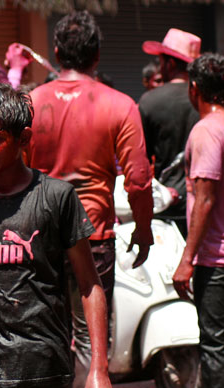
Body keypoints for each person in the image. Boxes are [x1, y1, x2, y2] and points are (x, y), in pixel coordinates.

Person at [0, 81, 111, 388]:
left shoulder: (57, 198)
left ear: (24, 139)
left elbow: (89, 285)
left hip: (44, 366)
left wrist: (99, 368)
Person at [24, 11, 153, 387]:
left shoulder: (32, 101)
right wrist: (143, 231)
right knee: (91, 340)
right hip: (93, 236)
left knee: (46, 332)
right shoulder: (120, 104)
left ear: (57, 51)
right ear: (97, 55)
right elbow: (139, 180)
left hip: (39, 234)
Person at [172, 52, 224, 388]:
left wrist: (186, 260)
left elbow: (205, 199)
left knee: (215, 347)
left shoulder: (205, 132)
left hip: (216, 262)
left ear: (194, 89)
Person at [139, 28, 201, 237]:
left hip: (166, 203)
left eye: (160, 62)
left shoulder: (149, 101)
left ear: (171, 64)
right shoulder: (207, 100)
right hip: (204, 202)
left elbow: (141, 160)